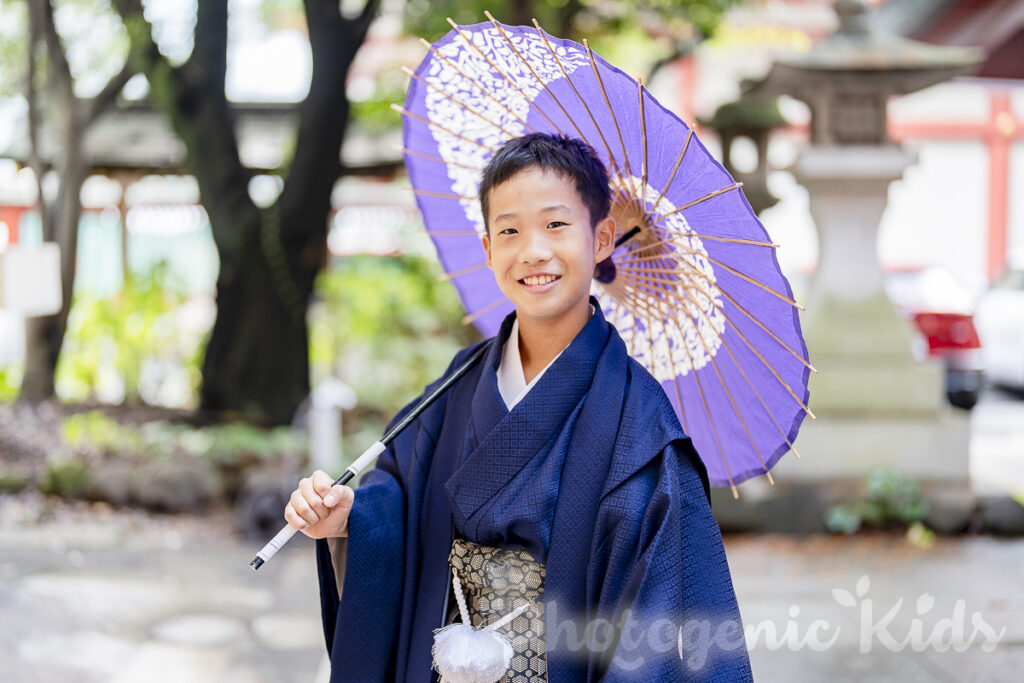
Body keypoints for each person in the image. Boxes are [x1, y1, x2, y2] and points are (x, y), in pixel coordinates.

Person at [284, 133, 754, 682]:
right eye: (509, 230)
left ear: (601, 238)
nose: (533, 251)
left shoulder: (638, 420)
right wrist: (350, 519)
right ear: (488, 249)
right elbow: (401, 496)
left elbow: (664, 597)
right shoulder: (458, 383)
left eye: (555, 224)